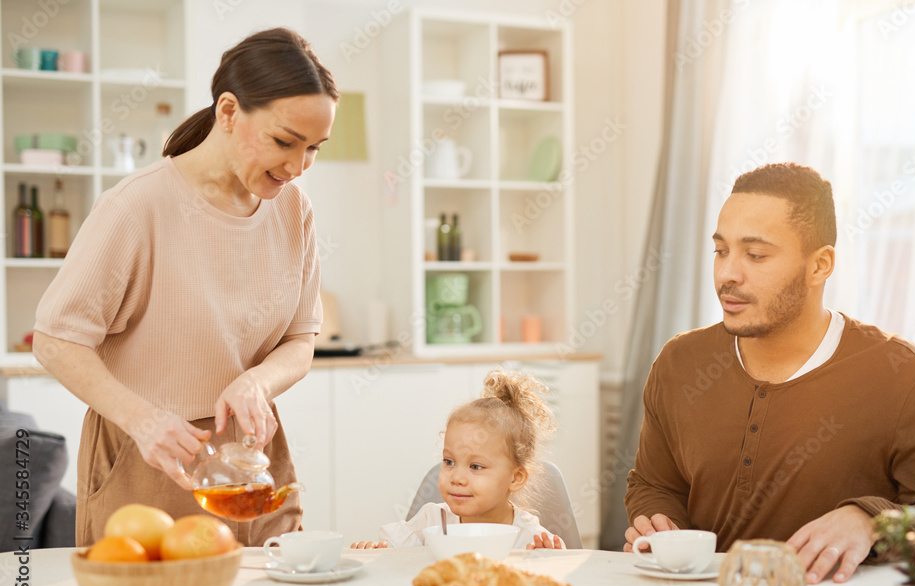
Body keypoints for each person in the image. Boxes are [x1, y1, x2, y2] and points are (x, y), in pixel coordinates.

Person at [32, 27, 338, 548]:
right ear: (227, 112)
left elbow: (300, 341)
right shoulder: (135, 207)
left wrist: (257, 382)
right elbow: (56, 339)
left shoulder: (294, 209)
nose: (296, 167)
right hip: (150, 454)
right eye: (285, 141)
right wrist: (143, 421)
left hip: (255, 456)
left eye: (313, 148)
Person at [624, 162, 915, 584]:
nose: (727, 273)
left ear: (819, 265)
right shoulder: (680, 363)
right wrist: (659, 523)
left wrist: (873, 522)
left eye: (756, 254)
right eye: (721, 250)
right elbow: (655, 484)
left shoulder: (907, 380)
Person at [350, 369, 565, 550]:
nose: (456, 478)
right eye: (449, 462)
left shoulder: (528, 537)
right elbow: (393, 559)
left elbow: (559, 576)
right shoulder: (432, 521)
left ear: (516, 477)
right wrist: (377, 553)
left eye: (475, 466)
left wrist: (548, 560)